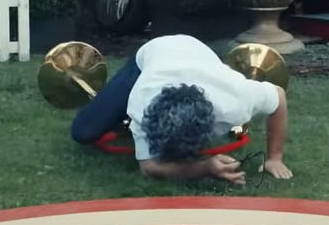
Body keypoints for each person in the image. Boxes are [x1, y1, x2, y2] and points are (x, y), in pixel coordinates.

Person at [70, 34, 290, 185]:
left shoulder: (236, 100)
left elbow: (279, 96)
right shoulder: (142, 100)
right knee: (83, 132)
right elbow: (149, 168)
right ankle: (119, 118)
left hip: (197, 52)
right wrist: (205, 169)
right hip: (153, 53)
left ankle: (124, 124)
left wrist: (274, 158)